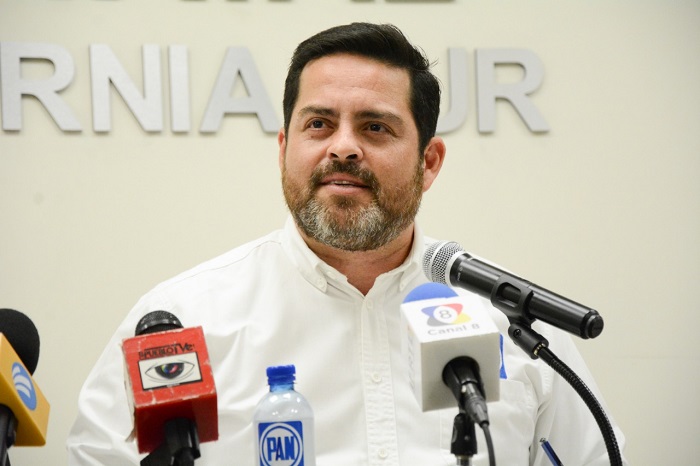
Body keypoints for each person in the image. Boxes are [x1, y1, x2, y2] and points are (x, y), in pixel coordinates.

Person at [67, 22, 627, 465]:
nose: (343, 148)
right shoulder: (180, 321)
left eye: (375, 127)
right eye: (318, 124)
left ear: (429, 162)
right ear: (283, 148)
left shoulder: (510, 322)